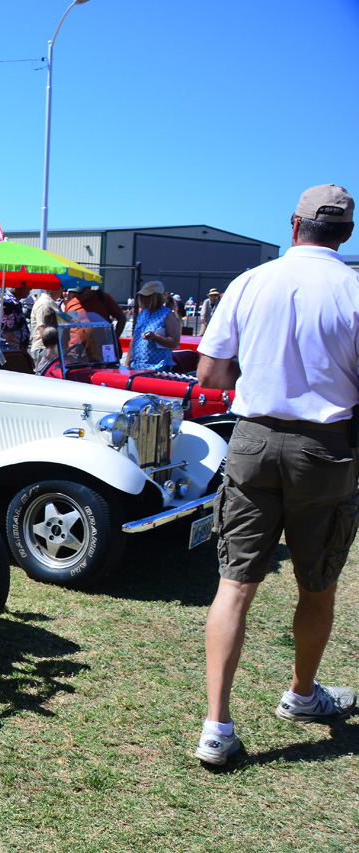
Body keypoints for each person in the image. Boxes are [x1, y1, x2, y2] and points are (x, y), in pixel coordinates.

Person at [192, 184, 359, 766]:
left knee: (235, 584)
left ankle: (216, 726)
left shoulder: (249, 282)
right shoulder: (355, 287)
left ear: (294, 226)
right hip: (327, 447)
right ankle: (302, 693)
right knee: (318, 582)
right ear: (347, 232)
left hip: (253, 439)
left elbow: (210, 375)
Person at [128, 281, 180, 370]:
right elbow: (134, 340)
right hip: (136, 366)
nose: (144, 299)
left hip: (157, 368)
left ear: (157, 298)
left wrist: (155, 337)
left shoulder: (167, 315)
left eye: (148, 297)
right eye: (143, 296)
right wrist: (128, 362)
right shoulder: (142, 313)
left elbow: (174, 342)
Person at [0, 285, 30, 352]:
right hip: (9, 352)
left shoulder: (14, 303)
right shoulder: (6, 304)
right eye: (27, 286)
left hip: (14, 351)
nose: (30, 289)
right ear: (17, 287)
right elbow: (8, 335)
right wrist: (23, 351)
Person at [27, 287, 59, 364]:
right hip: (44, 349)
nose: (62, 291)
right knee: (44, 375)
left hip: (49, 348)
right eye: (61, 288)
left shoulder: (49, 302)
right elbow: (42, 327)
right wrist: (50, 348)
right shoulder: (45, 303)